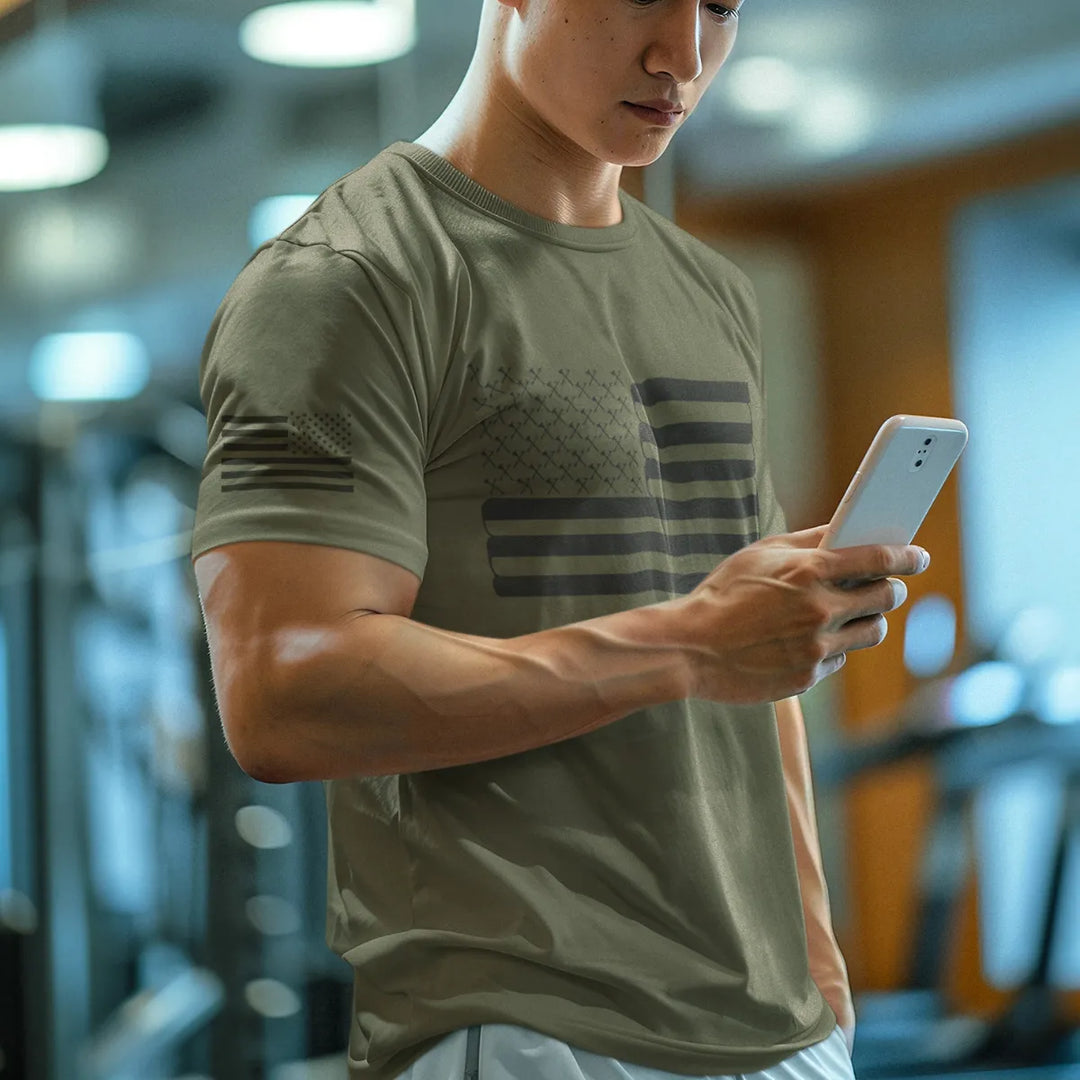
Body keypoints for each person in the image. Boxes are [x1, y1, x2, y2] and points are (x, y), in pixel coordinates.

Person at [189, 0, 930, 1077]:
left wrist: (817, 960)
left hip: (780, 1030)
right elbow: (284, 694)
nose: (683, 55)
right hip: (533, 1026)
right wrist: (683, 646)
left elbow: (752, 677)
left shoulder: (709, 290)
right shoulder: (348, 279)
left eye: (720, 6)